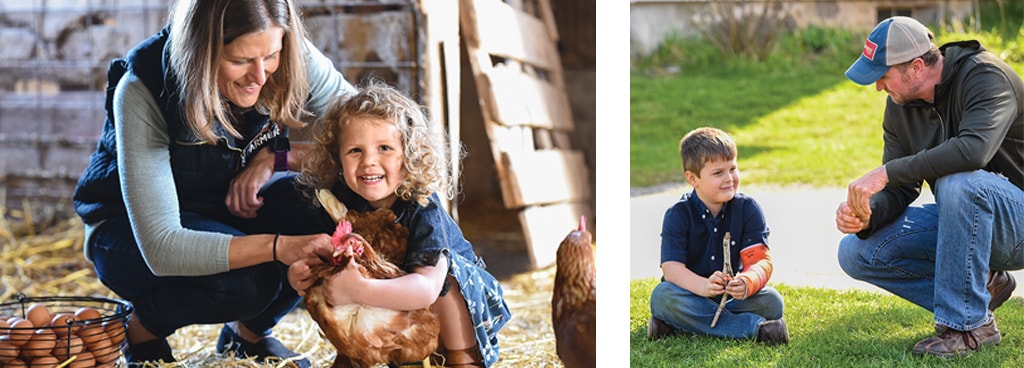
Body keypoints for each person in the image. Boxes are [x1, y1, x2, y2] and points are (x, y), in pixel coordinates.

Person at [72, 0, 356, 366]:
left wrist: (277, 159)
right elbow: (162, 246)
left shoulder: (284, 52)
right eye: (240, 61)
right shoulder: (143, 89)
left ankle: (248, 336)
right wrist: (279, 246)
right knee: (248, 282)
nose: (260, 76)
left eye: (270, 55)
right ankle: (142, 331)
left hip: (221, 210)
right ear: (200, 54)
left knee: (323, 210)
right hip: (131, 235)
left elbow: (364, 132)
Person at [287, 81, 511, 367]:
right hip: (397, 315)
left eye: (385, 148)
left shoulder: (423, 209)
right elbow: (330, 267)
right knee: (343, 275)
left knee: (446, 280)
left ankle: (463, 358)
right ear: (337, 158)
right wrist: (301, 276)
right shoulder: (339, 204)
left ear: (410, 156)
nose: (369, 161)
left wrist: (357, 290)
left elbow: (426, 289)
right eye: (355, 150)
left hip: (452, 311)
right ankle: (357, 356)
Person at [837, 16, 1024, 358]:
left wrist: (887, 172)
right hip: (967, 221)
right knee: (856, 251)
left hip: (1018, 224)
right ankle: (983, 290)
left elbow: (973, 150)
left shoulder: (986, 76)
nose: (878, 87)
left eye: (883, 76)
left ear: (917, 67)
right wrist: (868, 216)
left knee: (960, 180)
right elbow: (900, 189)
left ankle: (966, 328)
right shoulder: (899, 107)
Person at [646, 127, 788, 344]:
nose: (729, 178)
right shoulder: (677, 214)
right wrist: (703, 286)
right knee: (662, 297)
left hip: (732, 298)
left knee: (772, 302)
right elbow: (672, 269)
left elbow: (760, 261)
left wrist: (747, 282)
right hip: (689, 294)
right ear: (693, 179)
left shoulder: (748, 208)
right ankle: (758, 330)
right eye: (718, 173)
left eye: (732, 168)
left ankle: (675, 324)